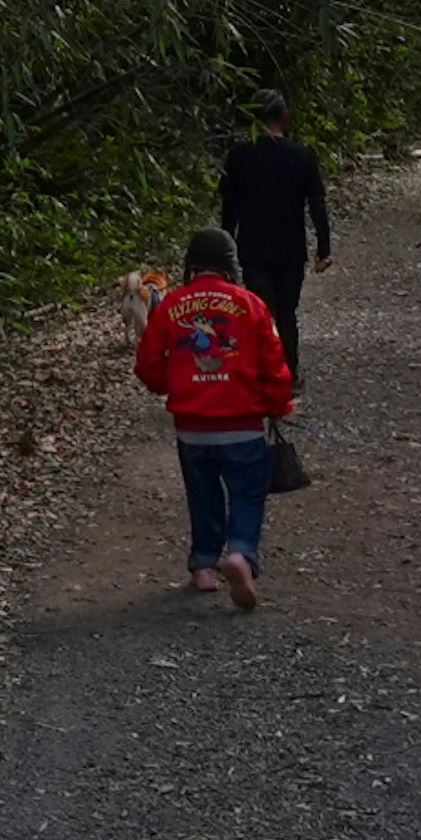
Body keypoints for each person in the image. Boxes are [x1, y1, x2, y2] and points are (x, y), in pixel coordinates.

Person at [132, 227, 295, 609]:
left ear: (192, 264)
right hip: (241, 426)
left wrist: (167, 386)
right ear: (229, 264)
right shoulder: (251, 304)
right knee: (247, 494)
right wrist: (278, 406)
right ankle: (239, 553)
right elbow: (274, 364)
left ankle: (203, 565)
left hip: (192, 430)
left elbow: (148, 364)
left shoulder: (171, 305)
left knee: (202, 496)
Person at [217, 88, 334, 390]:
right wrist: (324, 248)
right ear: (284, 117)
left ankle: (261, 374)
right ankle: (289, 373)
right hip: (290, 248)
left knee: (260, 313)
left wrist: (225, 248)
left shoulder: (239, 156)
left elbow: (229, 207)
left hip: (253, 247)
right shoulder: (302, 155)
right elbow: (316, 204)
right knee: (286, 312)